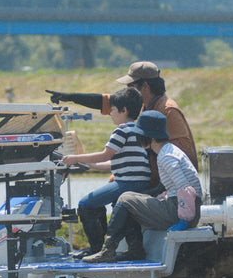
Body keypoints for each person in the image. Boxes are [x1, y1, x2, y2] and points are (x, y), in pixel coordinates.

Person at [46, 60, 197, 190]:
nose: (127, 90)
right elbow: (106, 101)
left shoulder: (168, 111)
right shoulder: (145, 104)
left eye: (131, 86)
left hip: (168, 184)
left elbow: (179, 156)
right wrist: (72, 97)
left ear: (145, 86)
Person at [82, 110, 203, 263]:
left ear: (149, 137)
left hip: (181, 213)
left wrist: (184, 220)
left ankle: (108, 250)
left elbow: (185, 189)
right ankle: (134, 249)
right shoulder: (168, 151)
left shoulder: (166, 157)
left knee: (126, 198)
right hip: (184, 209)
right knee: (132, 198)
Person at [59, 86, 151, 257]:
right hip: (140, 181)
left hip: (127, 182)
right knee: (107, 203)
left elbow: (105, 155)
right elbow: (113, 163)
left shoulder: (121, 130)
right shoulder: (138, 130)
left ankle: (97, 248)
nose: (110, 114)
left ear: (124, 110)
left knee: (86, 204)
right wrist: (90, 165)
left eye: (113, 110)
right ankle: (134, 246)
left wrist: (76, 158)